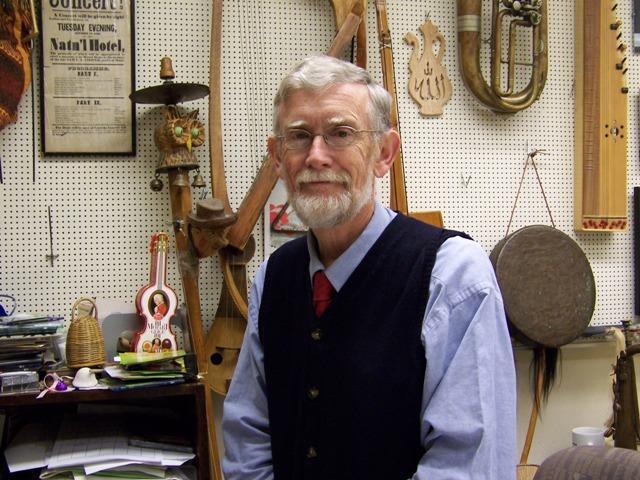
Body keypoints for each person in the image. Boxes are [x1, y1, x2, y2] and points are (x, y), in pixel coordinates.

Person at [222, 55, 516, 480]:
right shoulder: (273, 279)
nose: (316, 156)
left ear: (384, 153)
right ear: (278, 159)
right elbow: (248, 435)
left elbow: (467, 465)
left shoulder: (451, 278)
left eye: (341, 133)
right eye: (299, 136)